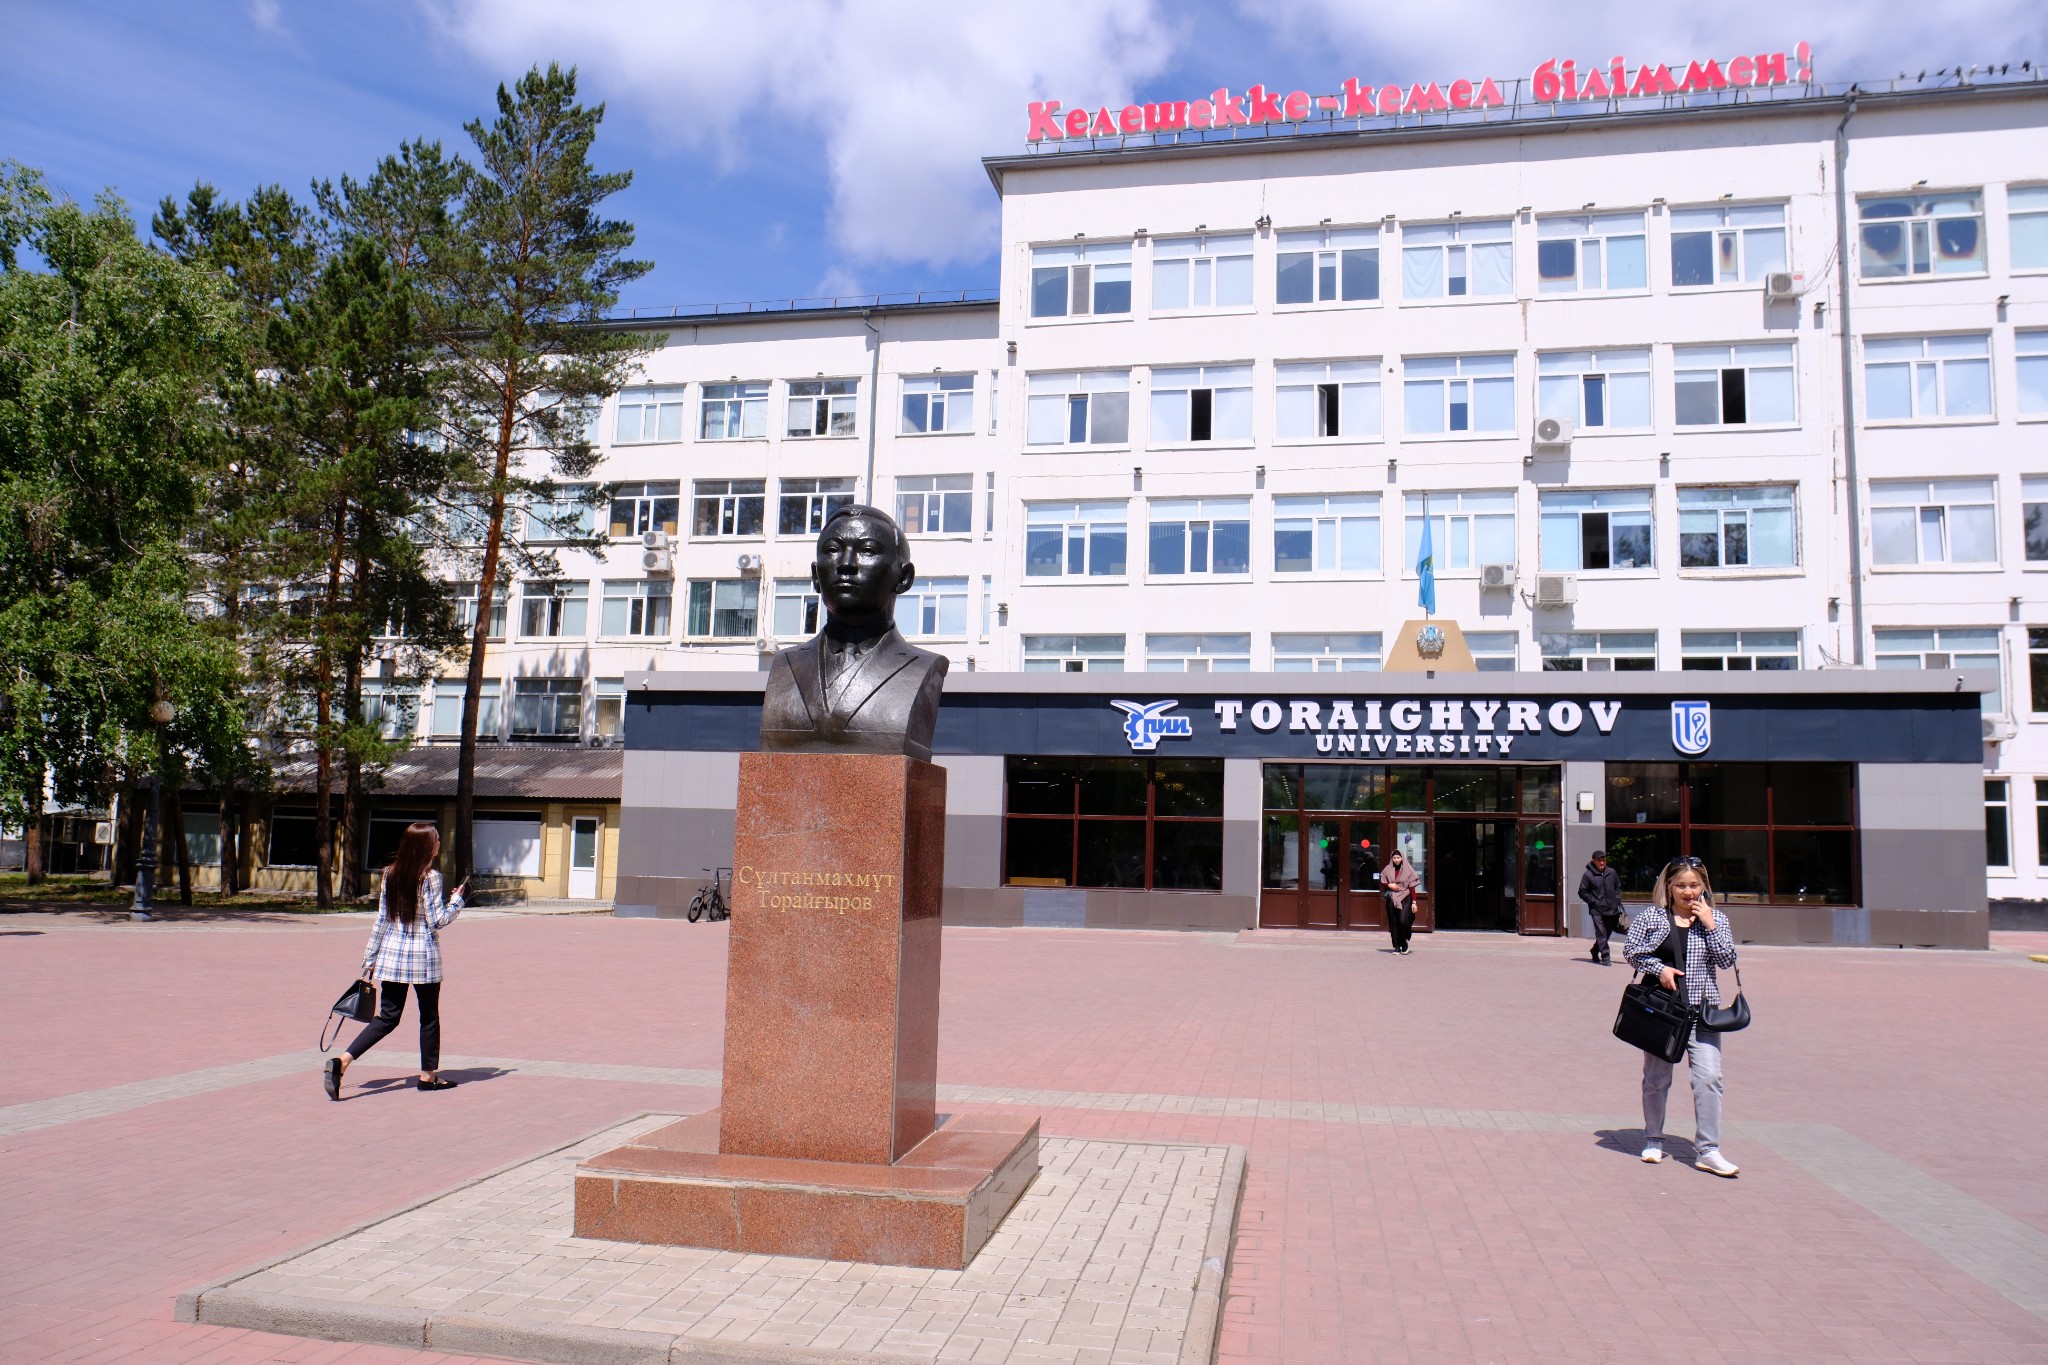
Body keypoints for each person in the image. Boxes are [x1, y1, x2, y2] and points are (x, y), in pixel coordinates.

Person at [323, 822, 467, 1099]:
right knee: (429, 1016)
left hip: (392, 956)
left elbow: (382, 919)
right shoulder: (431, 877)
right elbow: (437, 920)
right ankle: (428, 1076)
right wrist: (457, 902)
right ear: (427, 845)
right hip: (423, 958)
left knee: (388, 1017)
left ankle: (342, 1061)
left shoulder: (389, 873)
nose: (439, 843)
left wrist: (370, 956)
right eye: (437, 839)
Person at [1624, 855, 1740, 1177]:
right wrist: (1659, 968)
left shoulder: (1716, 919)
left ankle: (1708, 1150)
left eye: (1694, 885)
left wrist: (1710, 925)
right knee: (1656, 1078)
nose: (1689, 892)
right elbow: (1632, 951)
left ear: (1704, 886)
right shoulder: (1652, 917)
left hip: (1703, 1011)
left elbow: (1726, 959)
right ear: (1669, 887)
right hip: (1663, 1011)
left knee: (1709, 1078)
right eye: (1681, 886)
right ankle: (1653, 1139)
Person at [1578, 849, 1624, 964]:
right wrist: (1593, 901)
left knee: (1606, 933)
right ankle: (1606, 957)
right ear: (1594, 861)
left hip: (1612, 909)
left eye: (1603, 860)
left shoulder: (1612, 872)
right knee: (1601, 933)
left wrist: (1617, 898)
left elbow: (1618, 886)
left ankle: (1595, 950)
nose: (1602, 862)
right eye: (1599, 860)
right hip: (1596, 909)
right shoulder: (1588, 875)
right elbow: (1582, 892)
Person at [1382, 848, 1420, 954]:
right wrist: (1389, 885)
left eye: (1398, 857)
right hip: (1392, 897)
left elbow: (1412, 886)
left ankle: (1405, 940)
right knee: (1393, 922)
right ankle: (1397, 946)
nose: (1396, 860)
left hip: (1405, 896)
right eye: (1394, 858)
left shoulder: (1408, 869)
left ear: (1402, 858)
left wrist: (1414, 902)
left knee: (1403, 920)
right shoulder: (1388, 869)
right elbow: (1383, 880)